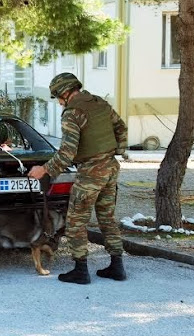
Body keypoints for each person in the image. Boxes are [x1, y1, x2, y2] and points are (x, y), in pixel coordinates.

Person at [28, 72, 128, 285]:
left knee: (75, 221)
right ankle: (117, 267)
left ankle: (80, 270)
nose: (59, 103)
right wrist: (114, 151)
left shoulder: (73, 113)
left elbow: (67, 152)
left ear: (65, 93)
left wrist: (44, 170)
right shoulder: (100, 104)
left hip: (91, 172)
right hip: (110, 167)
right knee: (107, 218)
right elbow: (121, 128)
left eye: (58, 98)